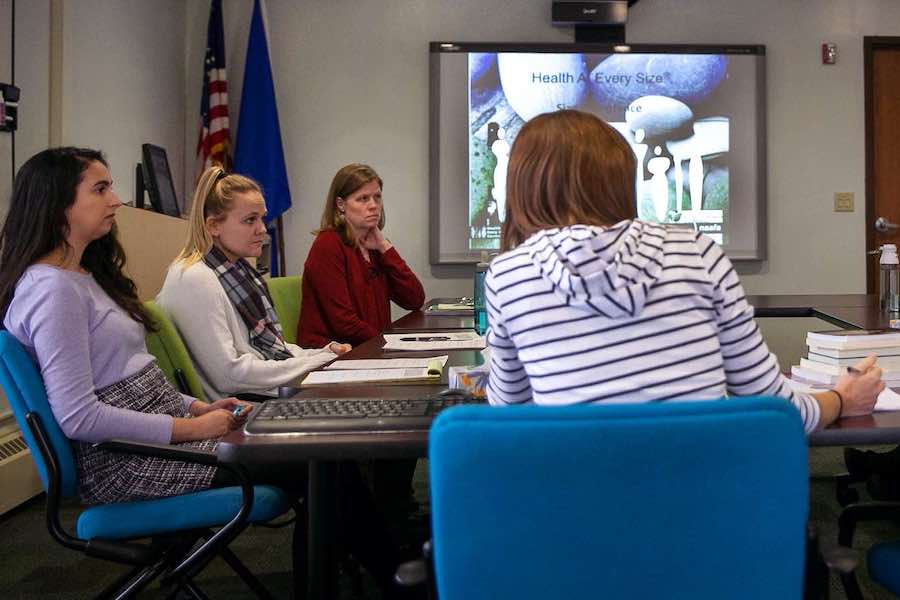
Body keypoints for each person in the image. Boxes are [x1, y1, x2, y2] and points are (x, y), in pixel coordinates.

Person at [484, 110, 883, 433]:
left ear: (522, 186)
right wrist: (842, 398)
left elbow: (509, 417)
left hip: (577, 518)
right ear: (620, 181)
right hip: (704, 519)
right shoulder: (698, 253)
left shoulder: (507, 276)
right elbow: (771, 410)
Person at [0, 147, 249, 505]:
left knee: (301, 456)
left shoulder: (85, 274)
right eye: (100, 189)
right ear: (57, 202)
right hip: (121, 460)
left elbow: (125, 373)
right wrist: (191, 429)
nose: (116, 201)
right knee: (303, 463)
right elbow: (79, 417)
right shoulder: (52, 289)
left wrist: (197, 408)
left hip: (154, 436)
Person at [157, 167, 349, 400]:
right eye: (250, 220)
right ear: (213, 226)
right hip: (244, 407)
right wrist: (319, 361)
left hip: (259, 393)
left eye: (262, 218)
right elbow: (230, 374)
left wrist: (321, 353)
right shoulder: (194, 278)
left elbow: (270, 350)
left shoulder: (235, 270)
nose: (261, 229)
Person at [298, 163, 425, 347]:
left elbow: (414, 299)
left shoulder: (375, 247)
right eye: (363, 199)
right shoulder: (327, 245)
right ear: (341, 204)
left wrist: (385, 247)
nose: (374, 206)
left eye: (377, 197)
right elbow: (344, 323)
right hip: (333, 355)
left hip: (368, 348)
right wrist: (388, 345)